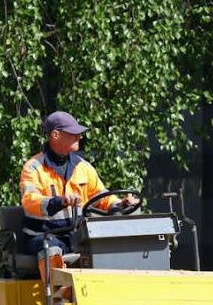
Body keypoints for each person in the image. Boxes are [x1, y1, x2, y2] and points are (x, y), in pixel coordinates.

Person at [20, 111, 138, 279]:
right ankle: (58, 297)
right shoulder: (33, 168)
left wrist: (121, 204)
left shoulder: (83, 167)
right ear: (55, 135)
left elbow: (102, 196)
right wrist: (58, 201)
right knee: (51, 250)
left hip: (76, 236)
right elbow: (30, 201)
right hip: (43, 236)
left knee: (106, 247)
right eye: (73, 133)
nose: (80, 136)